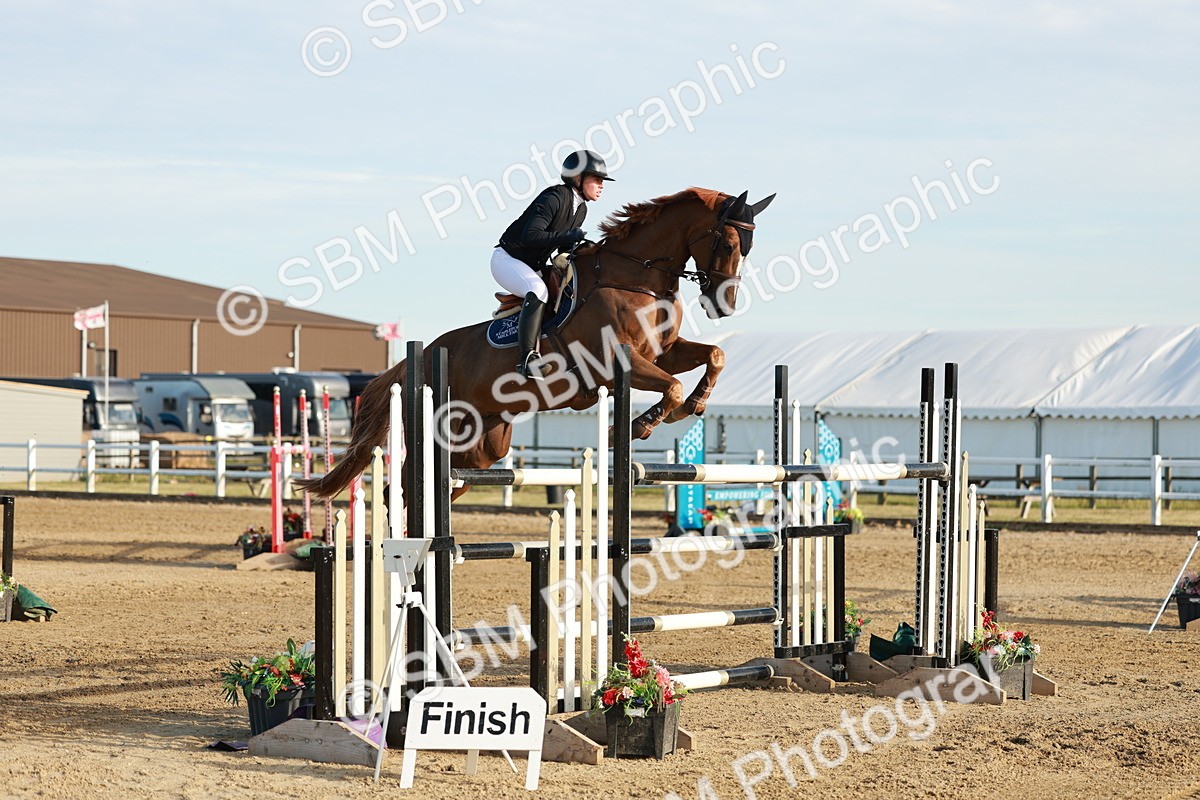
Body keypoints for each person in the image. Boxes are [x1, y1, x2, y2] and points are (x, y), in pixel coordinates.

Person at [493, 149, 613, 379]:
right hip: (508, 259)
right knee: (537, 290)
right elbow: (531, 236)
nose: (601, 185)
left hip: (533, 266)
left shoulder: (581, 209)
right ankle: (527, 358)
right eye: (596, 179)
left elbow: (563, 248)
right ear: (578, 178)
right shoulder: (554, 197)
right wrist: (569, 236)